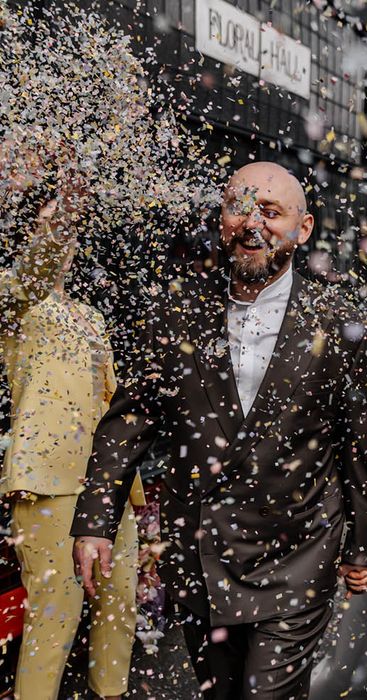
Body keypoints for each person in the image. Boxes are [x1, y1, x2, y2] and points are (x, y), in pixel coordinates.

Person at [70, 162, 367, 700]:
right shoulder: (175, 313)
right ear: (221, 219)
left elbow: (358, 439)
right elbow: (128, 422)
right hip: (202, 555)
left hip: (297, 554)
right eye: (239, 207)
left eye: (270, 210)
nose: (251, 223)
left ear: (303, 229)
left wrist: (363, 543)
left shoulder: (339, 321)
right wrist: (95, 520)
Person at [0, 182, 143, 700]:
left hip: (105, 487)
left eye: (71, 226)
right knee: (55, 621)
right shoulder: (12, 298)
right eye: (52, 223)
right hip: (45, 481)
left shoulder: (91, 317)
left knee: (119, 612)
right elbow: (34, 273)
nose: (66, 235)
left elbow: (114, 408)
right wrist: (61, 222)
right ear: (32, 231)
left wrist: (132, 493)